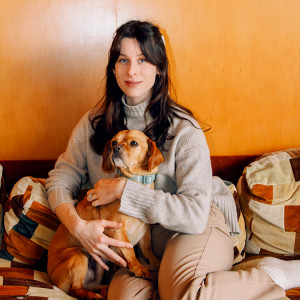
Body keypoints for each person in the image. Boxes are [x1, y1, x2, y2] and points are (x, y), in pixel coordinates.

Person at [46, 20, 300, 300]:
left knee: (186, 294)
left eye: (143, 60)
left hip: (193, 227)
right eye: (123, 59)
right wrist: (78, 228)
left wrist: (123, 190)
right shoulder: (92, 125)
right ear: (113, 68)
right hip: (139, 243)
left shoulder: (183, 128)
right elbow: (60, 179)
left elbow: (193, 215)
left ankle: (274, 274)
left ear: (159, 67)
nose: (132, 70)